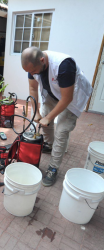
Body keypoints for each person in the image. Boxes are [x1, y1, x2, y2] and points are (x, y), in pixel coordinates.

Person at [21, 47, 92, 187]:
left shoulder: (64, 65)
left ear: (42, 60)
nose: (32, 74)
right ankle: (51, 145)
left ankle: (53, 167)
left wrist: (49, 117)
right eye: (29, 72)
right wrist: (36, 112)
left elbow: (67, 98)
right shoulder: (33, 65)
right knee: (44, 122)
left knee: (61, 130)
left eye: (33, 71)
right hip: (52, 93)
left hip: (73, 97)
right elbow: (33, 88)